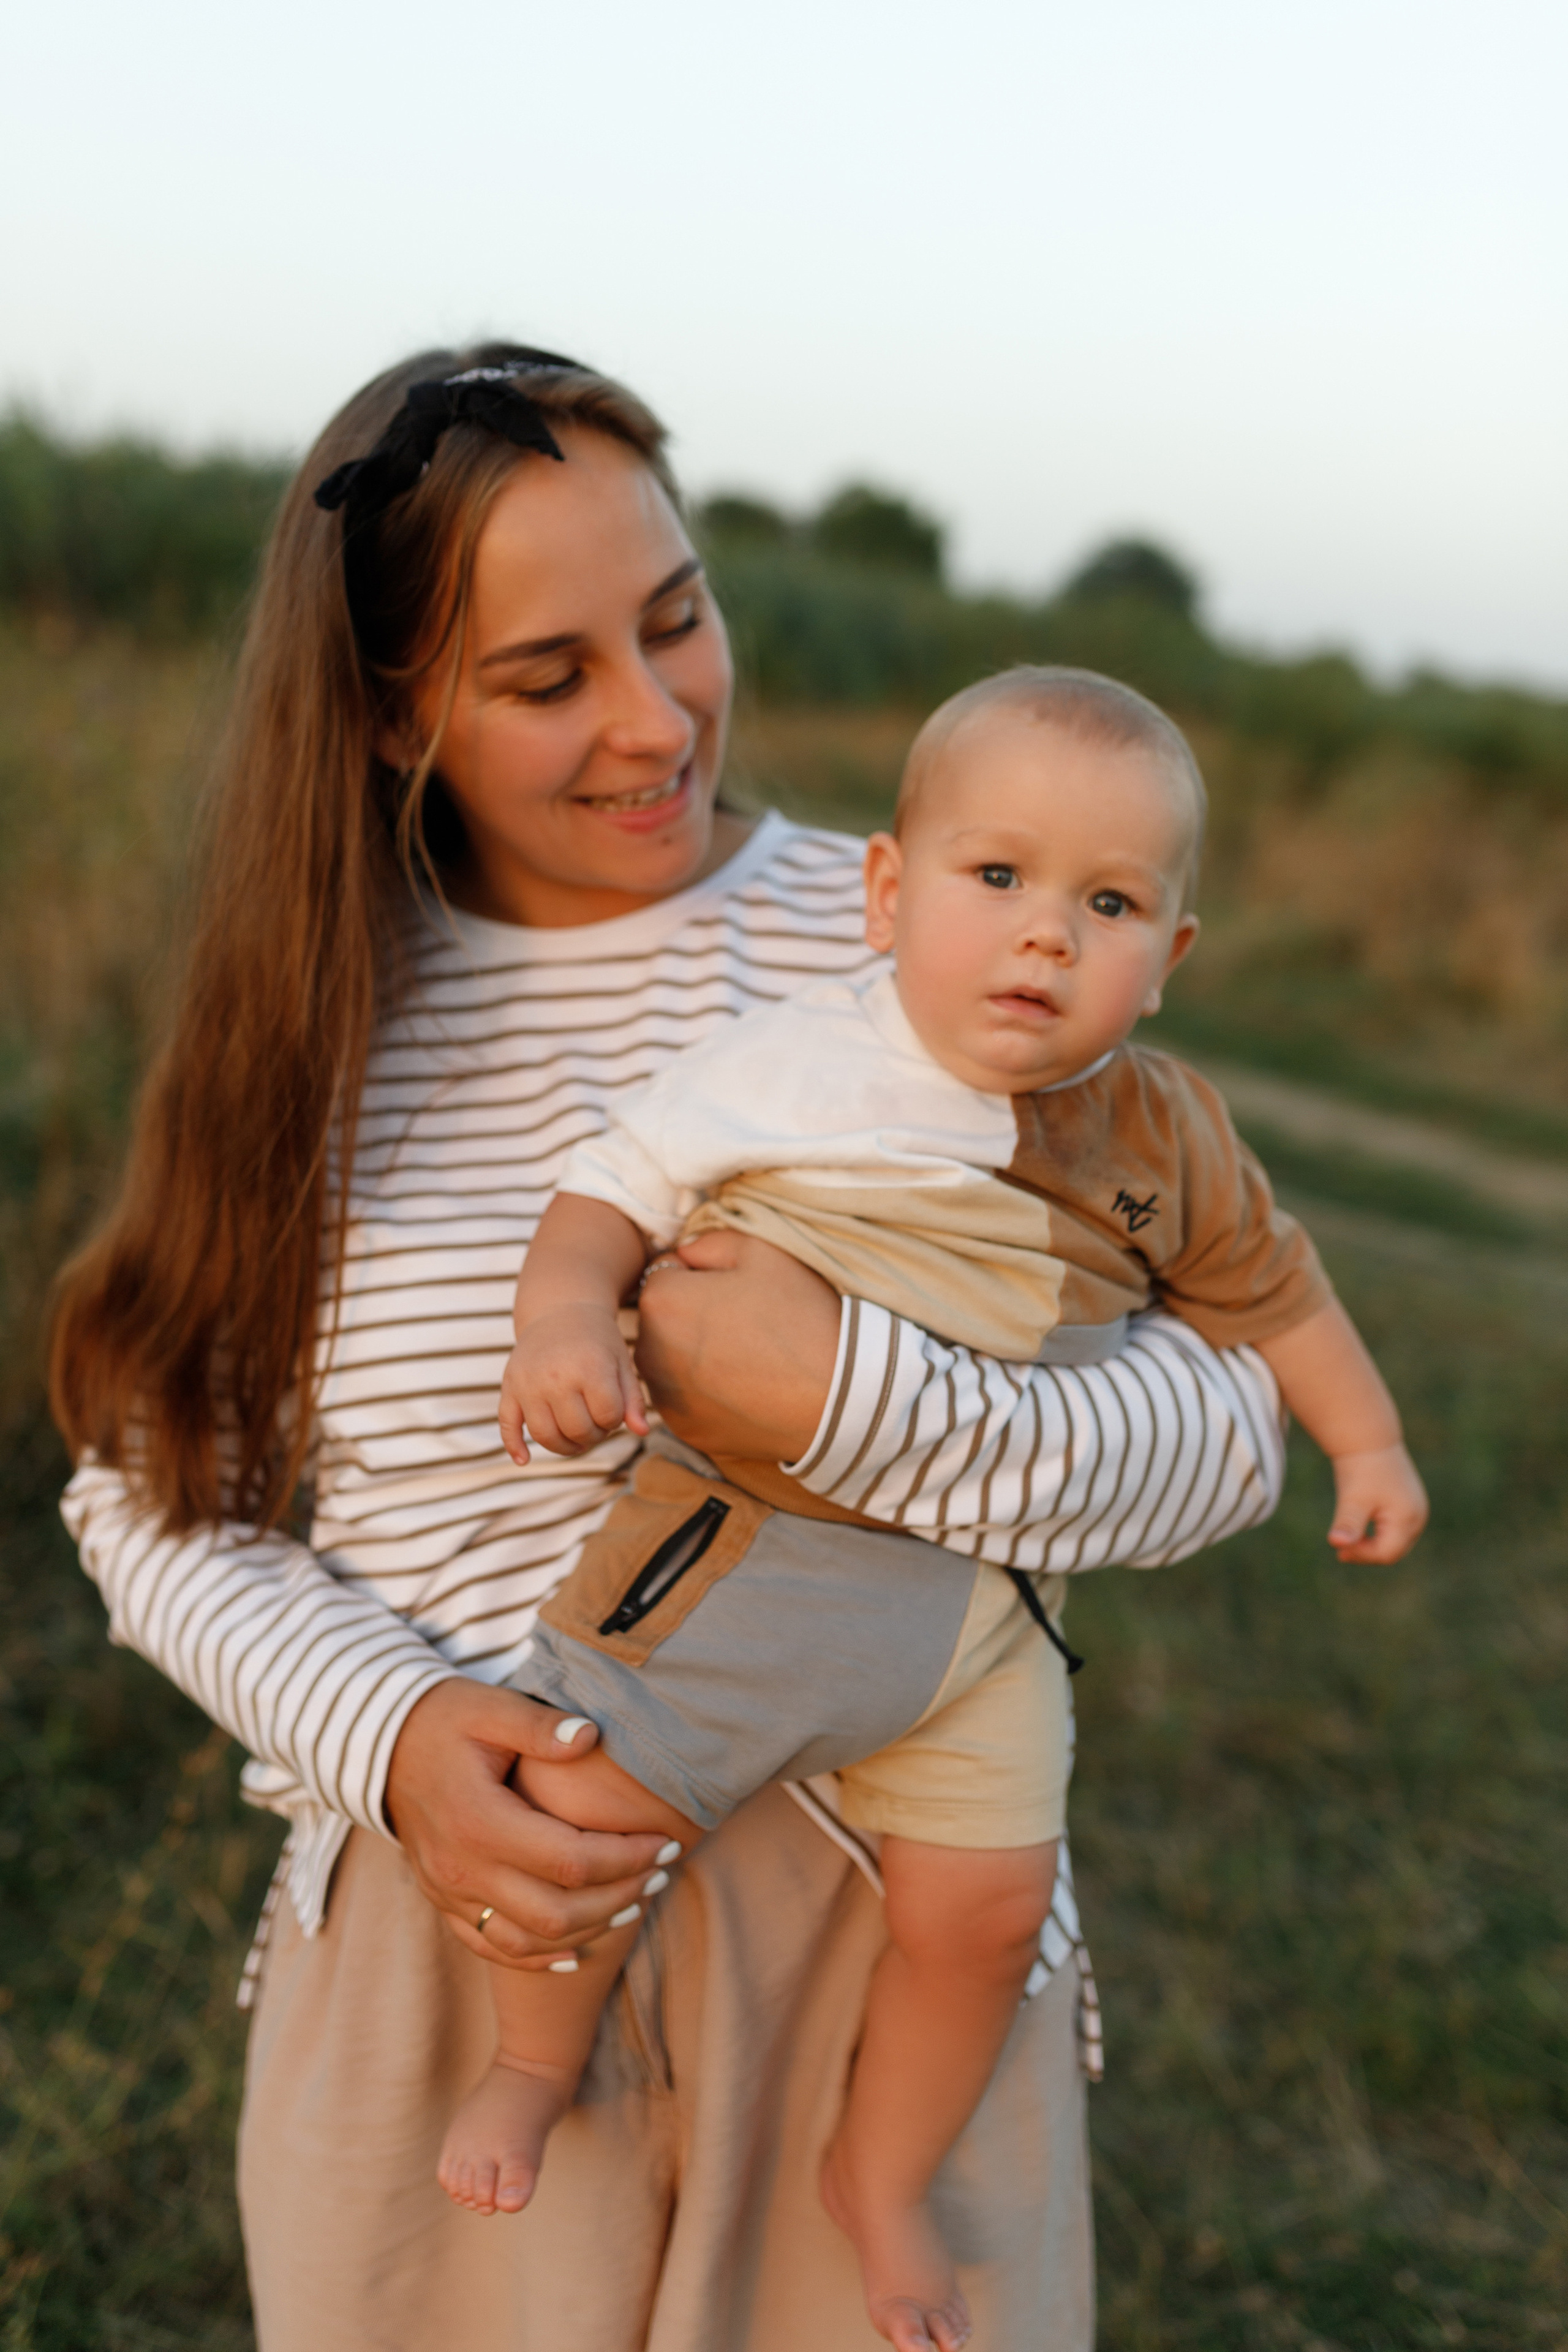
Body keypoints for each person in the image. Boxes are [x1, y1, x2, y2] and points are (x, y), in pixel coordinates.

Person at [51, 344, 1292, 2352]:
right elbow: (145, 1490)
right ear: (389, 711)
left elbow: (1230, 1416)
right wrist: (388, 1739)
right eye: (547, 679)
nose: (656, 723)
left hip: (889, 1928)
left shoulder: (943, 936)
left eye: (679, 618)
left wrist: (858, 1408)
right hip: (456, 1926)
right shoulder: (310, 1038)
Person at [444, 666, 1428, 2348]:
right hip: (747, 1558)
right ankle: (532, 2066)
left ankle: (879, 2174)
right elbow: (611, 1189)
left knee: (984, 1913)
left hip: (980, 1616)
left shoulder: (1161, 1133)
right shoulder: (797, 1060)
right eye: (999, 879)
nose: (1046, 937)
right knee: (576, 1807)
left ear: (1170, 958)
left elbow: (1275, 1303)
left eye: (1108, 905)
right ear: (891, 892)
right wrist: (557, 1320)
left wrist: (1374, 1445)